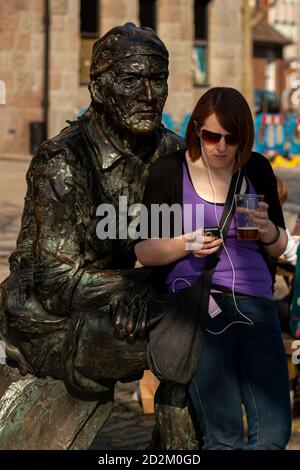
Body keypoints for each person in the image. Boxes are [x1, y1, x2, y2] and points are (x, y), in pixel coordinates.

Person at [0, 23, 198, 447]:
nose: (148, 96)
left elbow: (193, 248)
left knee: (203, 323)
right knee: (174, 336)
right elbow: (54, 282)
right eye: (131, 81)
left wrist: (151, 287)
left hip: (124, 296)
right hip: (49, 314)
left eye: (157, 80)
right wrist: (137, 284)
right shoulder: (64, 161)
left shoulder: (173, 153)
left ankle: (176, 443)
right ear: (101, 89)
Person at [135, 87, 292, 449]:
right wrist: (185, 243)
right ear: (196, 131)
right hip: (198, 308)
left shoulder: (256, 169)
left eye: (232, 138)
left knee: (273, 432)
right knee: (224, 436)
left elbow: (280, 245)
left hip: (255, 304)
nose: (221, 147)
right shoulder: (169, 171)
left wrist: (268, 230)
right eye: (211, 136)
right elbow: (143, 249)